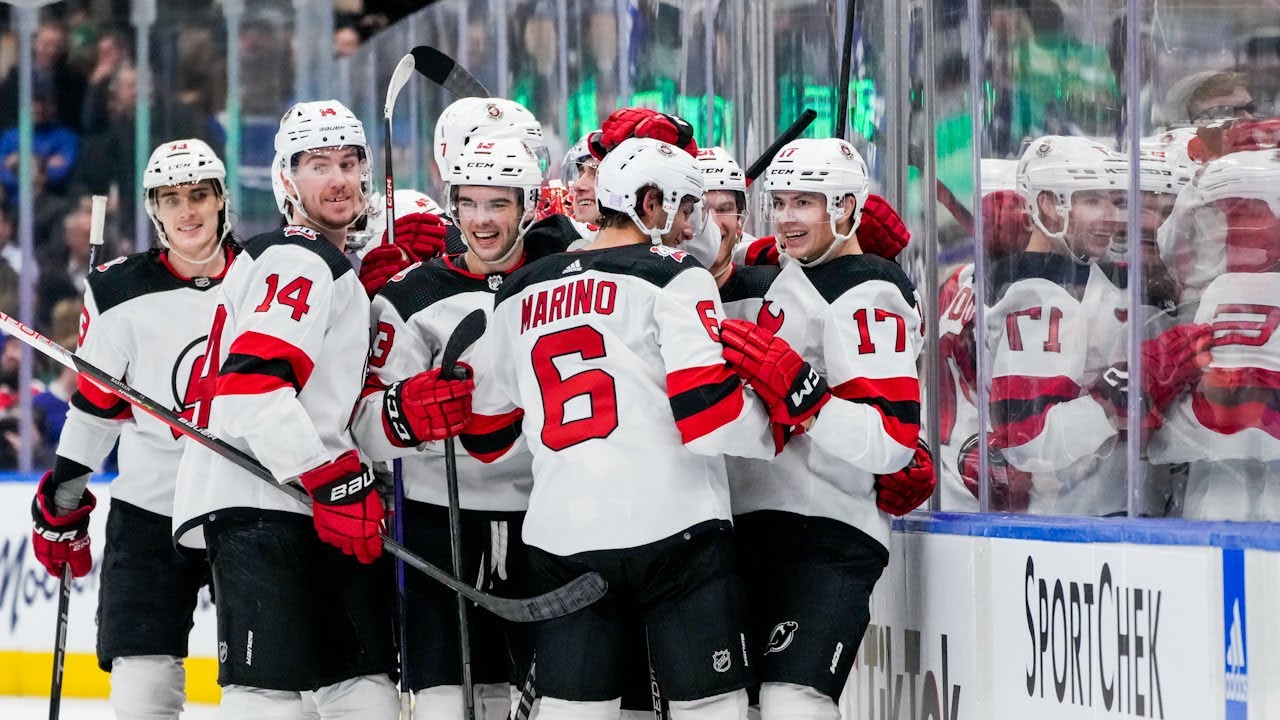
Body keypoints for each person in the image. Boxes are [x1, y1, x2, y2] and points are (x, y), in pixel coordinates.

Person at [475, 137, 808, 720]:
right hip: (674, 531)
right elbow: (711, 417)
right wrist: (779, 425)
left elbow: (485, 429)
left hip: (564, 538)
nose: (690, 226)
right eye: (683, 209)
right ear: (649, 202)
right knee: (712, 709)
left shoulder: (520, 290)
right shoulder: (675, 276)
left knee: (574, 713)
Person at [172, 100, 465, 718]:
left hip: (308, 502)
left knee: (364, 692)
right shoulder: (300, 256)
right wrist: (330, 479)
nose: (338, 178)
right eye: (316, 164)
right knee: (271, 701)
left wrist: (400, 417)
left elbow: (330, 408)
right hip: (264, 505)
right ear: (286, 179)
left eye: (350, 162)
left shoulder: (335, 268)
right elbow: (250, 393)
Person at [716, 138, 930, 720]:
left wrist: (807, 400)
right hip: (744, 527)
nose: (787, 217)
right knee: (739, 705)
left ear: (845, 208)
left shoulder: (868, 289)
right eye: (780, 202)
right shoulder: (763, 277)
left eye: (805, 203)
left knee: (793, 699)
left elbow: (890, 441)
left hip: (828, 532)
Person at [29, 138, 238, 720]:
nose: (188, 211)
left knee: (264, 689)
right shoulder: (117, 291)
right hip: (151, 508)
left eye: (199, 195)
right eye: (172, 199)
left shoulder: (264, 276)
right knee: (142, 691)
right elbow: (96, 407)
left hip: (246, 506)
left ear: (223, 199)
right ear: (153, 209)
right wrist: (64, 496)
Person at [351, 137, 545, 720]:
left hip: (545, 517)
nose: (482, 220)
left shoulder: (562, 280)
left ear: (528, 205)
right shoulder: (409, 296)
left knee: (549, 700)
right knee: (444, 703)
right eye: (468, 203)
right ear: (451, 206)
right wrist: (404, 415)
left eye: (498, 204)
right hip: (439, 520)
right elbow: (363, 428)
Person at [981, 135, 1206, 517]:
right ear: (1049, 204)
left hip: (1124, 513)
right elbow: (1028, 438)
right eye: (1092, 200)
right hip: (1078, 523)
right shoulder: (1039, 298)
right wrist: (1121, 392)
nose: (1113, 216)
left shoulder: (1094, 281)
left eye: (1113, 199)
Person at [1148, 147, 1279, 521]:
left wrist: (1156, 418)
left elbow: (1224, 420)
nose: (1229, 226)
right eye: (1221, 212)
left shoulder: (1233, 289)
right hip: (1213, 499)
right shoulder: (1220, 290)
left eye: (1246, 210)